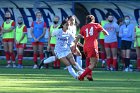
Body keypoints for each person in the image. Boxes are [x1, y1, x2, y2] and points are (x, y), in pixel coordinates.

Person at [74, 15, 109, 81]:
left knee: (88, 60)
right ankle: (81, 76)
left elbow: (78, 37)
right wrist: (105, 32)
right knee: (94, 63)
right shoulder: (96, 25)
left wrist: (75, 46)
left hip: (85, 46)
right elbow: (106, 33)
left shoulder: (83, 27)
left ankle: (89, 75)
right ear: (93, 20)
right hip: (92, 46)